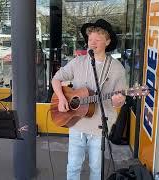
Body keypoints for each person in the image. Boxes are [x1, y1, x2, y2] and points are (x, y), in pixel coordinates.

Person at [51, 19, 126, 180]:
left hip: (99, 125)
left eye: (97, 40)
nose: (92, 43)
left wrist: (118, 100)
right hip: (76, 122)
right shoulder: (78, 62)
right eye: (90, 39)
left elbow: (117, 101)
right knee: (73, 166)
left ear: (107, 41)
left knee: (96, 168)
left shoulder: (117, 69)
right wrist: (62, 98)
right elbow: (56, 79)